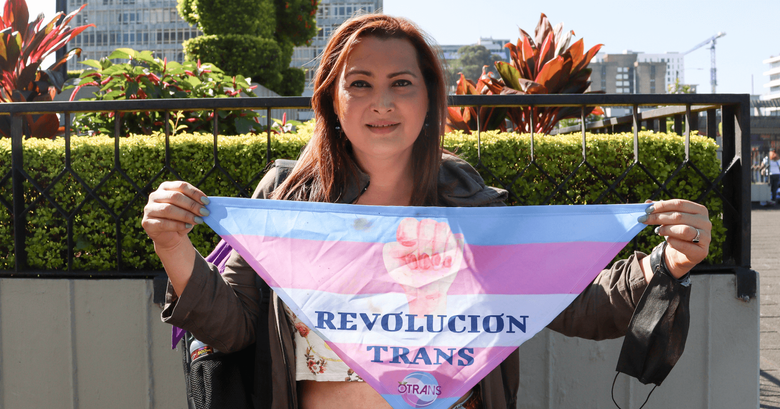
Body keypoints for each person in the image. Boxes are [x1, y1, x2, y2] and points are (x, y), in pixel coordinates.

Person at [142, 14, 711, 409]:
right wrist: (174, 247)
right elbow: (235, 326)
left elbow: (578, 304)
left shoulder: (468, 206)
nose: (381, 102)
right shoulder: (288, 201)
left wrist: (668, 261)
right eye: (359, 83)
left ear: (429, 99)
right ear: (331, 100)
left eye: (401, 83)